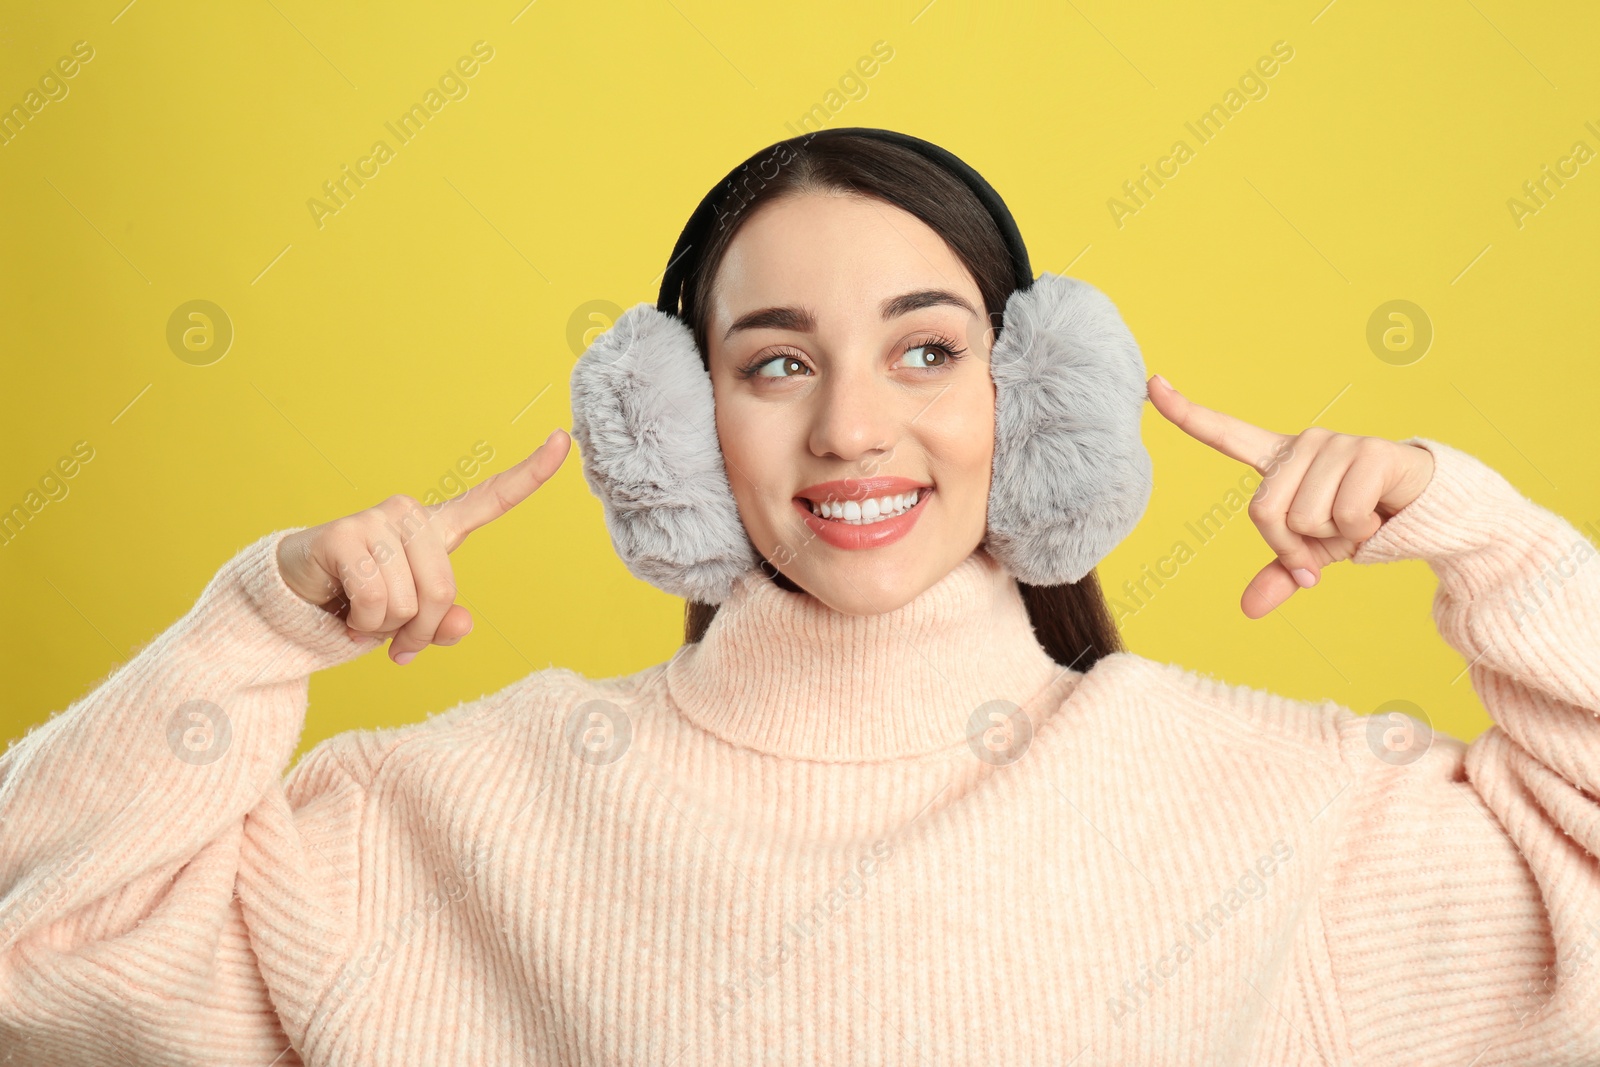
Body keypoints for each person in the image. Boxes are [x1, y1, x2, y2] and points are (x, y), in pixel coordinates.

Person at [1, 128, 1595, 1066]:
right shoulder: (467, 816)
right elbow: (42, 949)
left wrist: (1490, 542)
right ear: (679, 423)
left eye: (927, 350)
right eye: (775, 362)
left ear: (1029, 401)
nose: (849, 427)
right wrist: (257, 624)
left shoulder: (1271, 808)